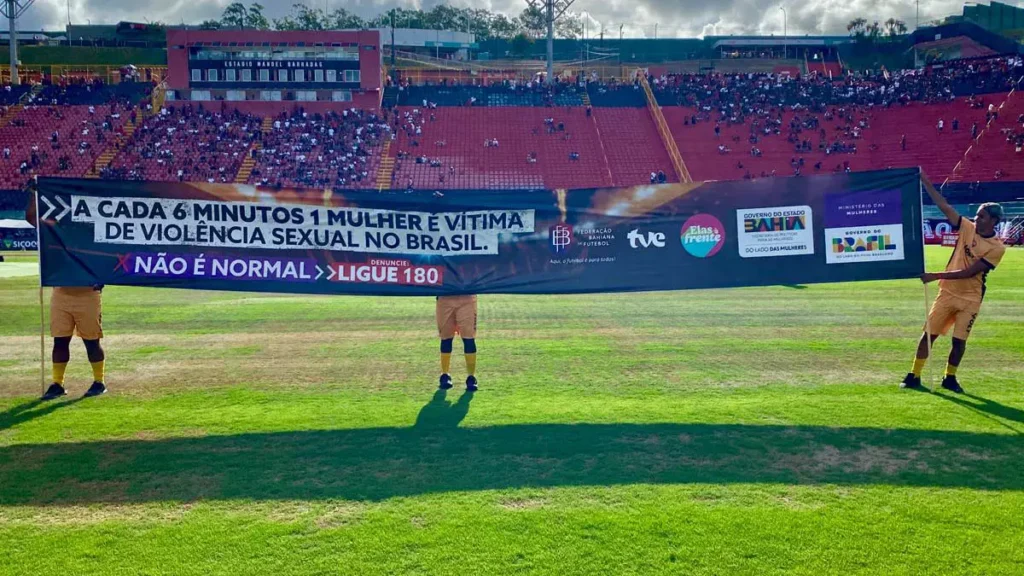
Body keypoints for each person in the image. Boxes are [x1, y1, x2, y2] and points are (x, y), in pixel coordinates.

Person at [902, 175, 1006, 393]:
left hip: (970, 298)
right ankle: (914, 375)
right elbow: (943, 206)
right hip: (947, 293)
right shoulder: (967, 227)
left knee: (959, 341)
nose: (976, 219)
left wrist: (935, 275)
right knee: (929, 334)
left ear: (994, 221)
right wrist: (925, 183)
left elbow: (969, 273)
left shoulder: (997, 248)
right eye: (977, 215)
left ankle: (949, 377)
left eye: (982, 216)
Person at [25, 189, 107, 400]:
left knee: (92, 341)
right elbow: (32, 218)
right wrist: (36, 194)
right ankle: (57, 384)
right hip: (61, 292)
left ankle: (99, 382)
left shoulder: (91, 233)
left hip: (88, 293)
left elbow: (108, 257)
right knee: (60, 341)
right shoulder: (56, 231)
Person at [436, 295, 478, 392]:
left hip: (467, 298)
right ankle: (445, 375)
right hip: (444, 298)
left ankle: (471, 377)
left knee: (469, 338)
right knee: (446, 338)